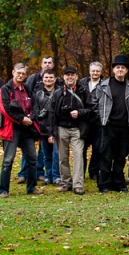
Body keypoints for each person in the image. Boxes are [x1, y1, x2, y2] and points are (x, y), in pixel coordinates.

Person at [93, 55, 129, 193]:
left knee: (121, 156)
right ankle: (104, 184)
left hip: (125, 127)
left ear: (126, 71)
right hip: (108, 126)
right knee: (106, 156)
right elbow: (95, 104)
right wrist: (101, 119)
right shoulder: (104, 86)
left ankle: (119, 182)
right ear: (113, 70)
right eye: (117, 67)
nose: (120, 70)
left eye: (123, 68)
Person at [0, 63, 43, 198]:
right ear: (13, 72)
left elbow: (35, 107)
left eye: (23, 73)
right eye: (19, 73)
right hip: (12, 128)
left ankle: (31, 187)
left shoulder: (28, 89)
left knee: (32, 159)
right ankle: (3, 190)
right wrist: (21, 119)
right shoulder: (6, 89)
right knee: (8, 160)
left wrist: (31, 118)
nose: (21, 75)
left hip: (27, 129)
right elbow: (5, 109)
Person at [18, 55, 63, 185]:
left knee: (53, 153)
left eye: (50, 62)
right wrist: (28, 118)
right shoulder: (33, 80)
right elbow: (28, 98)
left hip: (55, 125)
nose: (47, 64)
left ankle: (51, 175)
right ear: (41, 64)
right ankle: (24, 173)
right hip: (39, 124)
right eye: (45, 62)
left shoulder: (59, 84)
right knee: (32, 150)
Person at [49, 67, 93, 195]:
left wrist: (79, 113)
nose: (70, 77)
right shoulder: (57, 93)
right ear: (63, 77)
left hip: (77, 129)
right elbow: (52, 113)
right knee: (62, 157)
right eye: (67, 75)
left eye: (72, 75)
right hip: (61, 128)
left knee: (78, 155)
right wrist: (51, 132)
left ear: (76, 77)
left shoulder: (83, 91)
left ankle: (78, 185)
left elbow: (91, 109)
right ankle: (66, 183)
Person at [79, 61, 104, 181]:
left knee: (98, 148)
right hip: (83, 121)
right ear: (89, 71)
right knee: (82, 148)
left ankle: (93, 171)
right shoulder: (82, 83)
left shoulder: (105, 84)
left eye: (97, 71)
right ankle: (81, 172)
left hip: (98, 122)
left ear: (101, 72)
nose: (95, 73)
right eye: (93, 70)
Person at [34, 70, 58, 186]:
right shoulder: (38, 94)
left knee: (56, 154)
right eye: (46, 77)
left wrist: (53, 132)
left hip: (56, 129)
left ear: (55, 79)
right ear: (43, 79)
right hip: (42, 129)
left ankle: (56, 176)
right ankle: (48, 176)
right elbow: (36, 110)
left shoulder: (59, 92)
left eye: (51, 77)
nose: (48, 79)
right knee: (46, 155)